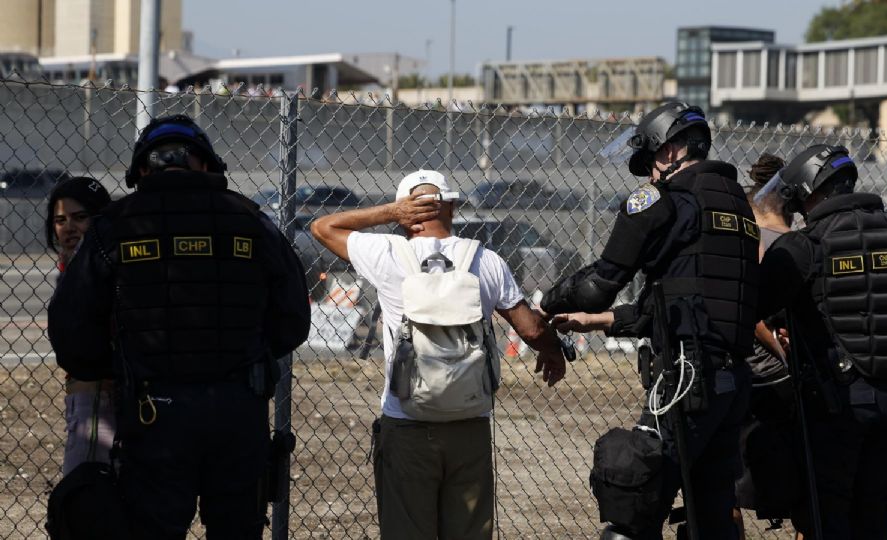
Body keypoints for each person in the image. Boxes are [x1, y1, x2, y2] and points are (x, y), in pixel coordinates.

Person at [48, 114, 310, 539]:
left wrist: (118, 367)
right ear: (205, 165)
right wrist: (247, 353)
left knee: (153, 528)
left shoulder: (113, 226)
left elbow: (71, 330)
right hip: (239, 408)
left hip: (155, 412)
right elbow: (294, 320)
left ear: (142, 171)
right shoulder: (251, 220)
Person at [540, 101, 759, 539]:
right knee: (712, 514)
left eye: (650, 161)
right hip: (732, 383)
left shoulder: (664, 201)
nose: (648, 175)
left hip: (687, 378)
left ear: (670, 150)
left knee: (632, 503)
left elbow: (600, 282)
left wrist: (550, 300)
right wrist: (600, 322)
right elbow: (679, 301)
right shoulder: (736, 208)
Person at [309, 169, 567, 540]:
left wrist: (388, 213)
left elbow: (322, 227)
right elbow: (530, 329)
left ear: (406, 210)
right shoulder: (485, 260)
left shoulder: (387, 253)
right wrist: (553, 351)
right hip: (469, 422)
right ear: (453, 207)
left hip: (407, 421)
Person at [755, 144, 887, 538]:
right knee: (874, 510)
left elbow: (758, 304)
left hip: (839, 404)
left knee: (827, 515)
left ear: (808, 189)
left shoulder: (806, 245)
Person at [732, 154, 799, 535]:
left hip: (750, 378)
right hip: (788, 382)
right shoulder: (800, 244)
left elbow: (752, 312)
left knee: (726, 488)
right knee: (804, 492)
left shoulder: (749, 241)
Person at [46, 176, 114, 475]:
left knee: (86, 491)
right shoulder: (72, 266)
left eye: (80, 217)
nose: (68, 227)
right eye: (60, 220)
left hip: (102, 395)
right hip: (84, 395)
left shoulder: (104, 269)